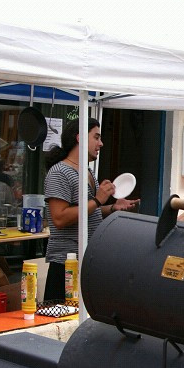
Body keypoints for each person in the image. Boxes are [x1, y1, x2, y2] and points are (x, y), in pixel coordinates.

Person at [44, 118, 138, 301]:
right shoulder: (59, 172)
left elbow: (87, 212)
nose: (101, 143)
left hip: (88, 259)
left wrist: (111, 207)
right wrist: (97, 199)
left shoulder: (87, 172)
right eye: (96, 137)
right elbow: (60, 218)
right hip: (66, 264)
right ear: (79, 138)